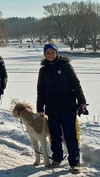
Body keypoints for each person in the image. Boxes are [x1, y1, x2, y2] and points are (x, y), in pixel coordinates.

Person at [36, 42, 87, 173]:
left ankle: (74, 162)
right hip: (52, 108)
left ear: (57, 53)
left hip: (68, 106)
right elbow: (40, 90)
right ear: (44, 55)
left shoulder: (65, 66)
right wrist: (40, 108)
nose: (50, 55)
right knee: (55, 135)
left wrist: (82, 101)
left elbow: (76, 84)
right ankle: (57, 158)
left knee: (70, 135)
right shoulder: (43, 70)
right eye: (48, 53)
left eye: (52, 52)